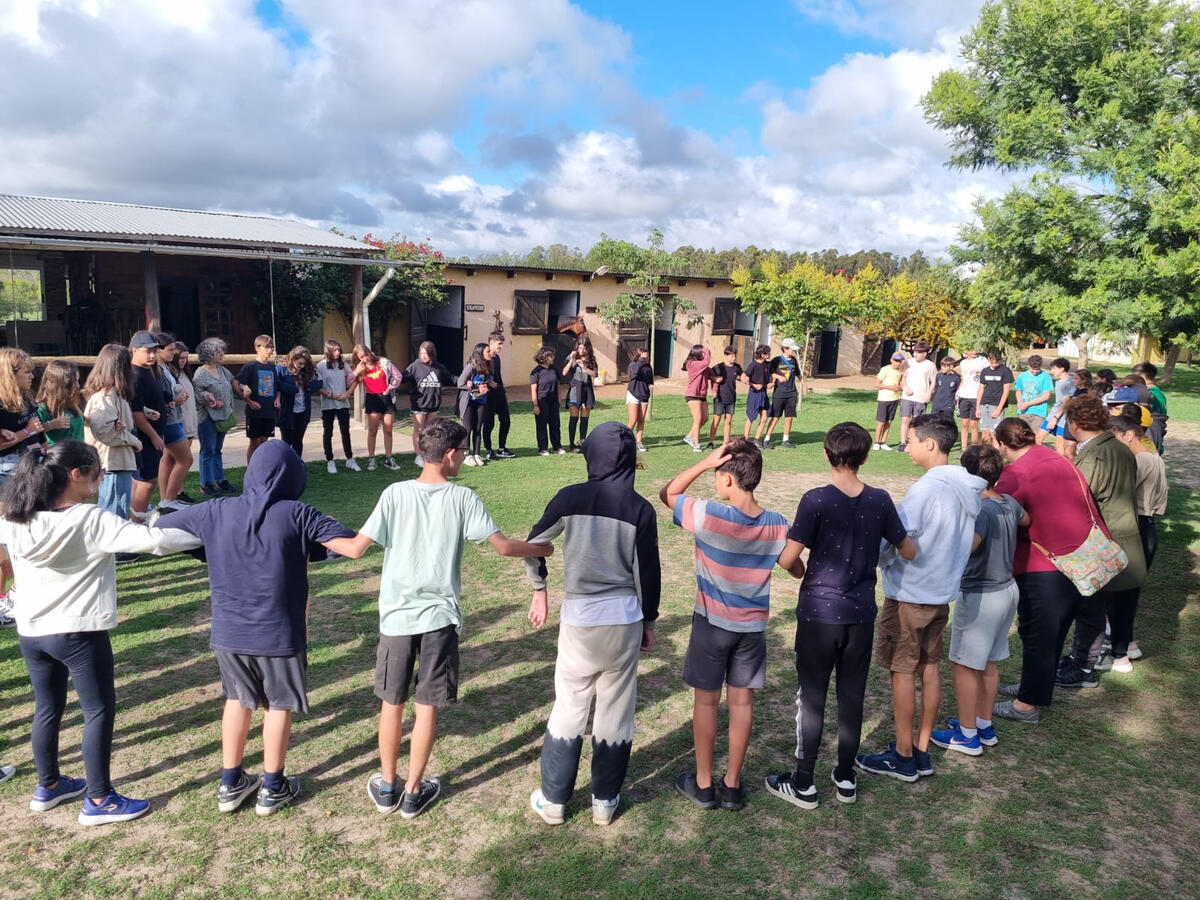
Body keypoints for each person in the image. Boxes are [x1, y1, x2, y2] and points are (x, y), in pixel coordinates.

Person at [332, 419, 551, 817]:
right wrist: (542, 549)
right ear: (449, 455)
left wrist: (313, 533)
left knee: (391, 703)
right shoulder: (463, 498)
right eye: (463, 452)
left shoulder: (395, 493)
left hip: (396, 619)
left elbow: (357, 548)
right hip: (439, 619)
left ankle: (386, 786)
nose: (464, 459)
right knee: (427, 705)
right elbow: (502, 548)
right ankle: (414, 792)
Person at [157, 441, 363, 816]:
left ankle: (230, 781)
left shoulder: (217, 511)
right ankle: (272, 785)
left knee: (237, 700)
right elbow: (348, 544)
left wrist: (211, 544)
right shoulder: (298, 513)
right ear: (292, 475)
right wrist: (315, 539)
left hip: (228, 633)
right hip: (280, 633)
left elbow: (164, 524)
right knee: (278, 704)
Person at [0, 440, 200, 825]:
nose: (101, 476)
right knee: (97, 710)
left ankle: (49, 785)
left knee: (47, 707)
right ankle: (99, 799)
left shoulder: (15, 516)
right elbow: (154, 542)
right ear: (75, 475)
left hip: (32, 632)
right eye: (96, 471)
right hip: (77, 632)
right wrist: (205, 531)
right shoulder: (90, 520)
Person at [763, 423, 913, 809]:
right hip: (860, 615)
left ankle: (803, 781)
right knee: (852, 695)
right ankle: (845, 776)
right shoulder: (880, 500)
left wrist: (801, 573)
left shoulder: (815, 500)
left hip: (818, 614)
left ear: (827, 454)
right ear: (864, 457)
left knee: (811, 697)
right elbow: (908, 549)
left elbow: (787, 558)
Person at [525, 422, 661, 827]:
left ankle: (554, 801)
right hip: (623, 620)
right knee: (616, 710)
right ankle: (604, 802)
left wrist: (539, 587)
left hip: (581, 620)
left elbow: (534, 543)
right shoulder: (640, 508)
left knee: (570, 704)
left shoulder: (570, 497)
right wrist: (649, 620)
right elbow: (647, 574)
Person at [659, 440, 797, 811]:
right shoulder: (777, 524)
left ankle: (703, 784)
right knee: (742, 703)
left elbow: (668, 493)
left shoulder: (709, 515)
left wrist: (704, 462)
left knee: (706, 702)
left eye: (718, 477)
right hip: (751, 630)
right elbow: (792, 564)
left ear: (727, 479)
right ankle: (732, 784)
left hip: (711, 624)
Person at [857, 415, 983, 782]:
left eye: (910, 440)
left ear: (930, 444)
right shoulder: (967, 489)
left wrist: (875, 559)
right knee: (929, 668)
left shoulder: (926, 489)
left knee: (902, 670)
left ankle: (903, 753)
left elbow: (897, 537)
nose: (907, 446)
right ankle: (922, 748)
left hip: (911, 594)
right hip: (940, 593)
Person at [992, 418, 1106, 723]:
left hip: (1045, 563)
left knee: (1038, 632)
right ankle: (1033, 687)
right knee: (1051, 631)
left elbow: (1001, 516)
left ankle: (1026, 704)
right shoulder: (1058, 459)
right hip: (1080, 557)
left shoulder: (1016, 473)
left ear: (1002, 445)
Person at [930, 445, 1028, 756]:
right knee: (989, 661)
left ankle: (967, 734)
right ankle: (983, 725)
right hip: (1007, 589)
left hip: (981, 595)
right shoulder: (1008, 502)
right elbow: (1025, 521)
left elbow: (967, 547)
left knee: (964, 664)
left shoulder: (980, 510)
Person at [1058, 393, 1146, 689]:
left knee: (1090, 608)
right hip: (1120, 538)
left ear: (1076, 422)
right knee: (1096, 607)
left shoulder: (1096, 454)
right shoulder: (1117, 447)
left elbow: (1080, 500)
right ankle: (1081, 660)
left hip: (1103, 543)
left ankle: (1084, 665)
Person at [1105, 409, 1166, 670]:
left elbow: (1121, 494)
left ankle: (1120, 653)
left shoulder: (1138, 462)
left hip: (1135, 525)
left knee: (1121, 594)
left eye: (1115, 437)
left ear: (1129, 435)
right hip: (1148, 525)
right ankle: (1126, 642)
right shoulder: (1156, 458)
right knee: (1129, 593)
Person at [0, 348, 48, 624]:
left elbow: (38, 431)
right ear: (10, 374)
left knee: (28, 534)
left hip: (30, 466)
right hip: (6, 474)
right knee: (8, 538)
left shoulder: (25, 399)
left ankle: (21, 593)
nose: (32, 376)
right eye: (27, 372)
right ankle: (5, 600)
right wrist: (24, 432)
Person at [83, 344, 142, 521]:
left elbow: (117, 419)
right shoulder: (105, 396)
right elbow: (105, 432)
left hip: (120, 462)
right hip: (112, 463)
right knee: (113, 510)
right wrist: (133, 440)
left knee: (120, 506)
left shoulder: (116, 394)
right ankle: (114, 548)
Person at [128, 331, 168, 522]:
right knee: (148, 481)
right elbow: (135, 413)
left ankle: (135, 519)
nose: (152, 355)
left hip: (153, 432)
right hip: (144, 438)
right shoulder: (135, 375)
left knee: (141, 480)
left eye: (154, 351)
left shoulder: (148, 370)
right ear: (134, 350)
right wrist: (154, 436)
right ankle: (136, 524)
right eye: (147, 351)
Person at [153, 332, 195, 508]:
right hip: (169, 420)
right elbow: (158, 396)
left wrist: (178, 390)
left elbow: (171, 387)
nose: (173, 353)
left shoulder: (165, 367)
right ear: (159, 350)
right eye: (169, 350)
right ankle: (168, 499)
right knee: (185, 460)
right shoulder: (157, 369)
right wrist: (174, 401)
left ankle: (167, 499)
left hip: (174, 417)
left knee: (170, 459)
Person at [192, 338, 238, 497]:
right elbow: (197, 393)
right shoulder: (200, 373)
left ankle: (220, 479)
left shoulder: (222, 370)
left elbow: (233, 381)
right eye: (219, 351)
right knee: (208, 450)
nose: (222, 354)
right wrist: (209, 399)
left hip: (222, 416)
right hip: (207, 418)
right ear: (209, 354)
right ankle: (206, 484)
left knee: (217, 449)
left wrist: (243, 387)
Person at [402, 340, 452, 467]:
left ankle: (429, 455)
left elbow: (451, 379)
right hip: (419, 405)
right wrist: (390, 377)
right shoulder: (415, 366)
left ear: (432, 353)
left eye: (426, 353)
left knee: (431, 431)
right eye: (421, 353)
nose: (423, 356)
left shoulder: (439, 367)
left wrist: (465, 381)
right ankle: (418, 456)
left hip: (433, 405)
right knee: (418, 430)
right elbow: (402, 377)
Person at [353, 345, 402, 471]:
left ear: (369, 352)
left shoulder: (383, 362)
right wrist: (356, 372)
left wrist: (390, 387)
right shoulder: (361, 368)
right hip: (372, 399)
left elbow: (398, 376)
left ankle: (389, 458)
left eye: (365, 355)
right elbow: (349, 381)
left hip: (386, 398)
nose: (365, 358)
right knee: (372, 430)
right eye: (361, 357)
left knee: (388, 430)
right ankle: (371, 459)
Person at [234, 335, 281, 465]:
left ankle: (262, 468)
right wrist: (248, 401)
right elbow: (236, 383)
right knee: (254, 442)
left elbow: (277, 387)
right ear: (257, 348)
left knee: (264, 442)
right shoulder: (250, 366)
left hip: (269, 411)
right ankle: (252, 470)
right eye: (267, 347)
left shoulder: (272, 367)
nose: (270, 350)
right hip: (255, 412)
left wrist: (277, 399)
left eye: (272, 347)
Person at [316, 339, 360, 474]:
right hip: (328, 405)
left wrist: (347, 394)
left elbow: (355, 379)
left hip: (343, 404)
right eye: (334, 350)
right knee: (328, 433)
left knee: (345, 431)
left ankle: (350, 459)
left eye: (339, 350)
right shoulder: (321, 366)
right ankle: (330, 460)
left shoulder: (343, 364)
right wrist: (330, 394)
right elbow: (317, 386)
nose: (337, 352)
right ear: (328, 351)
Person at [277, 346, 321, 459]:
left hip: (303, 412)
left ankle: (297, 466)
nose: (302, 366)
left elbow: (319, 383)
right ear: (293, 359)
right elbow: (277, 385)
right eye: (300, 363)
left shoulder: (306, 371)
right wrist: (293, 388)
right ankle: (285, 466)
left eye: (304, 364)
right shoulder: (282, 370)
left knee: (298, 440)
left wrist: (308, 384)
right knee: (286, 441)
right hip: (288, 412)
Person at [762, 338, 805, 449]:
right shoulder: (776, 360)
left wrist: (804, 385)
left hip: (792, 393)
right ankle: (766, 439)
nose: (793, 351)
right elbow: (770, 373)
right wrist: (777, 377)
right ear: (785, 349)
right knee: (775, 417)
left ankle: (786, 440)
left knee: (789, 417)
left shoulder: (794, 360)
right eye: (792, 349)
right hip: (779, 393)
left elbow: (798, 374)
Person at [457, 342, 492, 466]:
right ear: (480, 353)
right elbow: (460, 383)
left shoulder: (488, 365)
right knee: (468, 427)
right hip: (468, 402)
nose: (490, 353)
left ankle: (477, 454)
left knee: (478, 427)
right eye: (487, 351)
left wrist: (487, 386)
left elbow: (487, 380)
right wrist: (476, 386)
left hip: (481, 400)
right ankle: (466, 454)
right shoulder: (471, 366)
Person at [483, 331, 515, 461]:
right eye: (499, 344)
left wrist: (503, 391)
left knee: (506, 421)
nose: (501, 346)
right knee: (489, 423)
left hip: (499, 394)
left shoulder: (497, 358)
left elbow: (498, 377)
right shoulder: (484, 357)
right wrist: (489, 383)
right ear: (491, 343)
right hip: (488, 395)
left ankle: (502, 448)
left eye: (502, 344)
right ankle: (488, 450)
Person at [35, 359, 85, 444]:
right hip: (58, 454)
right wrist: (51, 425)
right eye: (74, 382)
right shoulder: (42, 409)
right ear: (62, 385)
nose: (78, 385)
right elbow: (33, 435)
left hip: (79, 453)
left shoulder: (72, 403)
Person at [898, 341, 936, 450]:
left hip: (921, 397)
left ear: (925, 353)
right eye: (915, 352)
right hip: (907, 397)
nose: (915, 355)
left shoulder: (930, 365)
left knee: (917, 421)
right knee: (905, 419)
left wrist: (929, 394)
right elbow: (902, 377)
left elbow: (933, 381)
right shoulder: (907, 363)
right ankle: (903, 442)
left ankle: (914, 442)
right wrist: (905, 387)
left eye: (918, 353)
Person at [562, 336, 597, 453]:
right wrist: (572, 360)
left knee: (585, 418)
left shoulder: (591, 359)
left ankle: (583, 443)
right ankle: (571, 444)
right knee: (574, 418)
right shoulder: (571, 356)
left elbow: (595, 374)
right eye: (580, 348)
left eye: (584, 348)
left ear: (588, 349)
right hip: (574, 389)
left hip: (587, 390)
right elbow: (564, 372)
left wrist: (585, 367)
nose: (581, 351)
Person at [1039, 357, 1076, 457]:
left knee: (1059, 447)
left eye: (1054, 368)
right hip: (1054, 413)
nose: (1052, 371)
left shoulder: (1071, 382)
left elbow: (1066, 403)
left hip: (1063, 418)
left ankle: (1062, 468)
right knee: (1038, 439)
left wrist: (1055, 419)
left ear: (1062, 369)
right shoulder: (1058, 382)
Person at [707, 347, 743, 448]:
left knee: (728, 421)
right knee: (716, 421)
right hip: (719, 398)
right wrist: (715, 379)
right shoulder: (718, 367)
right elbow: (709, 376)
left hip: (731, 398)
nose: (734, 358)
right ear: (726, 356)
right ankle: (711, 441)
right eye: (732, 356)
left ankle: (725, 443)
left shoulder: (737, 367)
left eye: (735, 356)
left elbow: (742, 376)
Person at [531, 346, 564, 456]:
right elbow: (533, 389)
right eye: (551, 356)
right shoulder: (536, 372)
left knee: (555, 424)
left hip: (553, 401)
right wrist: (535, 405)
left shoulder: (554, 369)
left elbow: (558, 385)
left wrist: (559, 398)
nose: (553, 357)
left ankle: (557, 446)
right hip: (542, 401)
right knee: (541, 425)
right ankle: (543, 448)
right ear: (544, 357)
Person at [976, 351, 1014, 446]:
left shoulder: (1006, 371)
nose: (995, 365)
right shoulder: (985, 371)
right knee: (985, 431)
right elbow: (981, 389)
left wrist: (999, 408)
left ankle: (997, 456)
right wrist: (977, 407)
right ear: (989, 359)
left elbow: (1006, 391)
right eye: (992, 362)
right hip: (984, 404)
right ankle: (986, 455)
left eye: (997, 362)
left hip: (997, 404)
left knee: (996, 433)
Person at [681, 344, 713, 451]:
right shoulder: (692, 364)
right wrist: (707, 350)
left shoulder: (703, 366)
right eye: (703, 352)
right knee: (698, 419)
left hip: (702, 395)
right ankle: (696, 444)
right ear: (698, 353)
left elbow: (710, 372)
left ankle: (689, 436)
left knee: (705, 419)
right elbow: (707, 362)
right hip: (693, 394)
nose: (705, 354)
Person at [1131, 361, 1168, 452]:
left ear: (1141, 377)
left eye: (1134, 377)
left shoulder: (1149, 394)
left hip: (1149, 442)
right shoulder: (1158, 393)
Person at [956, 348, 989, 449]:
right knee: (965, 423)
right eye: (971, 350)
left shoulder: (983, 360)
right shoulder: (963, 363)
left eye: (975, 349)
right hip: (964, 396)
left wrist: (980, 372)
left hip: (976, 396)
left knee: (974, 424)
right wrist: (958, 392)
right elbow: (963, 378)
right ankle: (964, 448)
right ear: (966, 351)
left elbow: (988, 373)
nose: (974, 352)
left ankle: (974, 448)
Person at [169, 342, 199, 449]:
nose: (184, 361)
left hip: (190, 420)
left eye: (186, 358)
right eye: (181, 358)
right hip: (180, 421)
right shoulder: (170, 374)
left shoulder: (184, 372)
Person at [1013, 354, 1053, 432]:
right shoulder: (1022, 376)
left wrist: (1028, 404)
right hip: (1023, 412)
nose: (1035, 371)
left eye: (1037, 369)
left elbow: (1046, 396)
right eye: (1032, 369)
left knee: (1034, 437)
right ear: (1028, 366)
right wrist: (1019, 402)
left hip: (1039, 412)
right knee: (1022, 435)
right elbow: (1018, 391)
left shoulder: (1046, 377)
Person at [873, 352, 904, 451]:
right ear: (891, 360)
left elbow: (901, 384)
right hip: (884, 399)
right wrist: (891, 387)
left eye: (900, 361)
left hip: (894, 399)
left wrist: (900, 387)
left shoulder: (900, 372)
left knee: (889, 422)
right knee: (881, 421)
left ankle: (883, 442)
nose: (898, 363)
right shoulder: (885, 369)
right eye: (896, 361)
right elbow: (877, 384)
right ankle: (876, 442)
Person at [743, 344, 772, 446]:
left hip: (763, 394)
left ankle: (756, 439)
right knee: (751, 417)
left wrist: (770, 383)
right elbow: (743, 377)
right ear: (763, 354)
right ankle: (745, 440)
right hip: (754, 394)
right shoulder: (753, 365)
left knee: (764, 417)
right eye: (768, 352)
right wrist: (753, 385)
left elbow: (770, 377)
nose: (769, 354)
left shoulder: (768, 365)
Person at [625, 347, 653, 452]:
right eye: (645, 356)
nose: (647, 358)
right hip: (633, 393)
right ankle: (624, 440)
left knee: (641, 420)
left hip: (644, 395)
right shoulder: (634, 365)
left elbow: (650, 380)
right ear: (639, 356)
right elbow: (634, 374)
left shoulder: (648, 367)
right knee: (633, 420)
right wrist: (641, 360)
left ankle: (639, 442)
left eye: (647, 356)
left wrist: (650, 385)